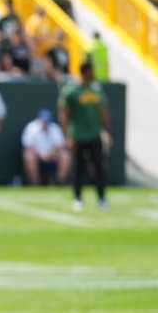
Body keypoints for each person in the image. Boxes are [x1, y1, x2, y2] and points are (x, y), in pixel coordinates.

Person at [59, 59, 110, 211]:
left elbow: (103, 113)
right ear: (85, 72)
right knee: (79, 168)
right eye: (91, 71)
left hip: (95, 134)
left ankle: (102, 199)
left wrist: (106, 131)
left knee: (99, 168)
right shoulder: (72, 91)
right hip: (78, 135)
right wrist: (67, 134)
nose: (93, 74)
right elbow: (65, 114)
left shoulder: (97, 90)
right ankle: (78, 198)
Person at [21, 108, 68, 185]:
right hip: (37, 156)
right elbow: (29, 147)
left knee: (65, 155)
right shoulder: (31, 128)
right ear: (39, 119)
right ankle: (35, 183)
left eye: (47, 121)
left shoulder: (55, 128)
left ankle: (59, 182)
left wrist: (51, 155)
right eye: (43, 121)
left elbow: (60, 147)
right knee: (29, 155)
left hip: (53, 157)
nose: (45, 124)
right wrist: (41, 156)